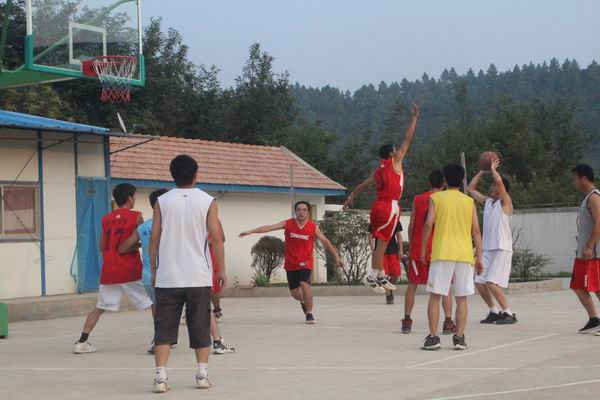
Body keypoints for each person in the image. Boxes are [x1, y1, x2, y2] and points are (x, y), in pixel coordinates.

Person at [149, 154, 226, 392]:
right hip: (198, 275)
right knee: (200, 324)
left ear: (172, 175)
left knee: (164, 328)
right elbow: (216, 237)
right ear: (196, 174)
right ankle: (202, 375)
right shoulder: (208, 200)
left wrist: (154, 270)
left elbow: (154, 238)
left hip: (168, 275)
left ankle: (160, 378)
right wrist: (221, 269)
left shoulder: (161, 201)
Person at [343, 103, 420, 293]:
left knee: (381, 242)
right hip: (389, 207)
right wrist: (414, 118)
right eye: (395, 150)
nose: (398, 151)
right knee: (383, 244)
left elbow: (364, 184)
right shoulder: (395, 161)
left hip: (378, 206)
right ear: (392, 153)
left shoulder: (378, 170)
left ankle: (380, 275)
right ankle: (372, 276)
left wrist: (351, 195)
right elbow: (407, 139)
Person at [73, 183, 153, 354]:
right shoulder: (136, 216)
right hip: (130, 269)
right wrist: (138, 245)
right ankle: (160, 339)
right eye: (134, 197)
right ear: (130, 198)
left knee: (100, 307)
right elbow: (143, 239)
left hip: (109, 270)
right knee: (154, 301)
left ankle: (82, 341)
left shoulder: (106, 219)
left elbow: (102, 245)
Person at [239, 201, 344, 324]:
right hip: (291, 263)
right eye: (299, 209)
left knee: (304, 284)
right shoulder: (288, 223)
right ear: (295, 211)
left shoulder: (313, 227)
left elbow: (325, 241)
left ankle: (309, 313)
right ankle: (304, 301)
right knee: (295, 293)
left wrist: (336, 257)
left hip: (306, 262)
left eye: (304, 210)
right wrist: (251, 231)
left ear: (308, 212)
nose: (301, 212)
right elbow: (269, 227)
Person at [421, 164, 483, 351]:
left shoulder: (436, 198)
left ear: (444, 180)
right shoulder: (468, 201)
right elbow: (476, 231)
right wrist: (480, 256)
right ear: (462, 180)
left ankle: (433, 337)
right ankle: (459, 338)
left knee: (435, 296)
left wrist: (423, 249)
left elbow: (428, 224)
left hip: (442, 252)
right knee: (461, 298)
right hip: (464, 253)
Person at [403, 170, 455, 335]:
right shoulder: (445, 199)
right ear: (444, 183)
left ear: (429, 182)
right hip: (439, 249)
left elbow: (412, 225)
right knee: (445, 286)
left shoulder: (418, 199)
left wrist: (412, 246)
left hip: (419, 247)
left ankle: (407, 321)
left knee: (412, 285)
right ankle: (448, 322)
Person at [468, 159, 517, 325]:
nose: (492, 187)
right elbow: (471, 189)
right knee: (479, 281)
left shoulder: (506, 203)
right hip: (488, 249)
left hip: (502, 249)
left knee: (491, 282)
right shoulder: (488, 202)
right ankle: (494, 311)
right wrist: (482, 171)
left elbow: (500, 183)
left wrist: (493, 170)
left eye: (494, 185)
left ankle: (509, 313)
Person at [570, 164, 600, 334]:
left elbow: (599, 222)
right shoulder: (587, 197)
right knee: (577, 285)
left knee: (597, 287)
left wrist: (589, 245)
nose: (573, 182)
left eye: (575, 178)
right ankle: (594, 319)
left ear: (583, 178)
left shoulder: (594, 197)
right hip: (583, 253)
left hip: (592, 253)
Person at [368, 222, 403, 304]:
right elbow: (370, 236)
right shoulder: (376, 220)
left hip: (393, 251)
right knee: (383, 275)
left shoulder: (395, 219)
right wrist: (373, 251)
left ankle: (389, 289)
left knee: (396, 274)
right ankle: (389, 295)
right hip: (381, 252)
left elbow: (398, 235)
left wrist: (401, 249)